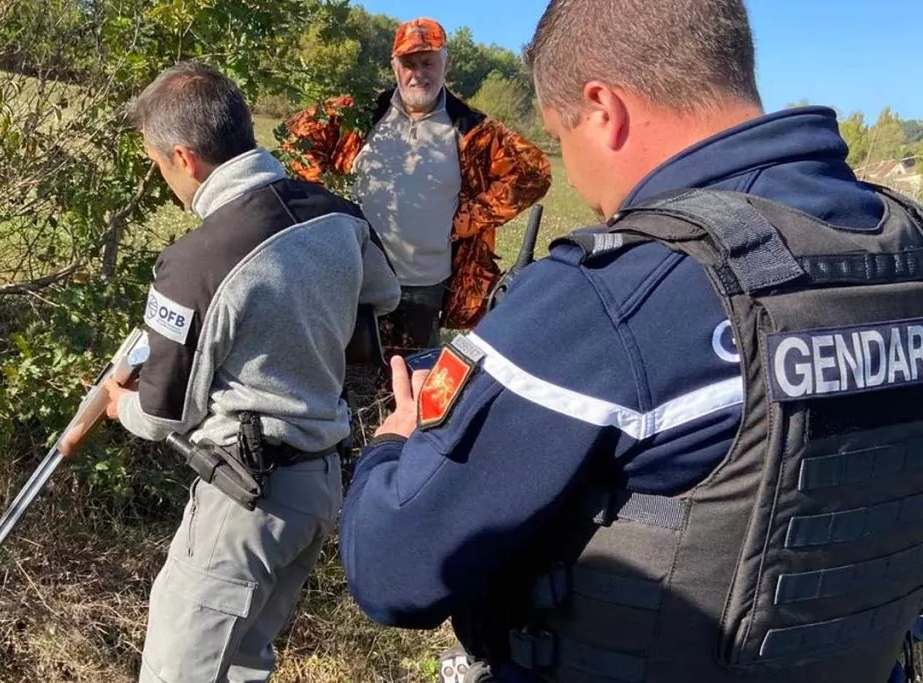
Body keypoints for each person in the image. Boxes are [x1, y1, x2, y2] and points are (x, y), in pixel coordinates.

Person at [337, 1, 923, 682]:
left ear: (602, 109)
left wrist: (393, 440)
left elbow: (393, 567)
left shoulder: (610, 296)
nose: (583, 191)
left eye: (564, 136)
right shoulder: (902, 245)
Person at [102, 61, 401, 683]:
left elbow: (161, 415)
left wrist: (117, 406)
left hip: (246, 501)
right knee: (242, 665)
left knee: (179, 672)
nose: (164, 178)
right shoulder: (336, 214)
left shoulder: (195, 263)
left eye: (159, 162)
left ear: (184, 157)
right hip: (318, 485)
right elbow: (388, 292)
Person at [278, 17, 552, 356]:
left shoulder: (472, 128)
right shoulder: (363, 114)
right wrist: (329, 201)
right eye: (408, 63)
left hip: (424, 285)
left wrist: (468, 217)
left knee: (412, 379)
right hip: (355, 277)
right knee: (346, 376)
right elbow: (295, 137)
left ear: (445, 63)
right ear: (394, 66)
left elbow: (534, 172)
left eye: (428, 62)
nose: (418, 73)